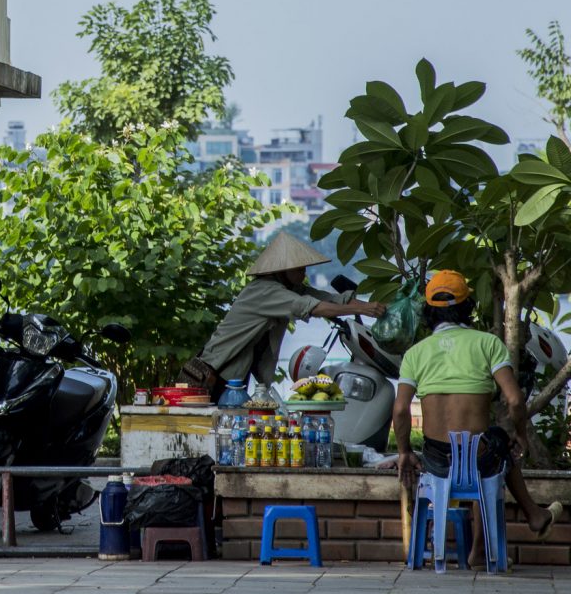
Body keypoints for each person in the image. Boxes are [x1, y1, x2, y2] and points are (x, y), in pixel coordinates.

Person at [392, 269, 562, 558]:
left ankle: (489, 545)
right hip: (479, 457)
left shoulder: (415, 353)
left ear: (429, 311)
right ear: (467, 307)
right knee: (498, 445)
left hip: (436, 460)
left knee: (489, 449)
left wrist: (404, 451)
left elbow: (399, 409)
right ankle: (501, 537)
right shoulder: (488, 344)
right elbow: (515, 400)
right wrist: (520, 434)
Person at [183, 231, 387, 395]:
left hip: (235, 372)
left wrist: (372, 306)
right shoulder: (266, 291)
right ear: (281, 271)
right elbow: (313, 307)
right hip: (216, 370)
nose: (304, 273)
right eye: (299, 269)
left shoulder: (289, 289)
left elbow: (328, 299)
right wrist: (361, 309)